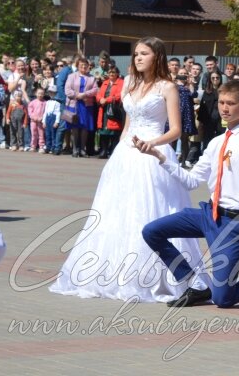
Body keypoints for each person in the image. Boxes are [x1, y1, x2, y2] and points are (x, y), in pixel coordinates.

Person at [50, 37, 208, 303]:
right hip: (126, 153)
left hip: (153, 155)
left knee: (151, 209)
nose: (137, 58)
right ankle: (114, 272)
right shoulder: (131, 84)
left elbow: (176, 130)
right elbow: (128, 125)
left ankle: (163, 275)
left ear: (156, 56)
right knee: (117, 211)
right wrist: (119, 151)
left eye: (143, 53)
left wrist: (151, 144)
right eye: (136, 54)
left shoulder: (167, 87)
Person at [135, 79, 239, 308]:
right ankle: (196, 284)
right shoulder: (216, 143)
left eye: (231, 103)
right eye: (222, 102)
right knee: (152, 231)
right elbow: (192, 181)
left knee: (223, 299)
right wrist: (161, 157)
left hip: (233, 222)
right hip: (208, 214)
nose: (225, 108)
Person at [65, 57, 99, 157]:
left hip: (86, 105)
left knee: (85, 127)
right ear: (77, 66)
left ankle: (82, 149)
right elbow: (67, 90)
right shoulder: (71, 76)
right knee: (74, 127)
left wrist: (84, 94)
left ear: (88, 66)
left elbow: (95, 90)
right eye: (81, 65)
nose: (83, 67)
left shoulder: (92, 78)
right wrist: (77, 95)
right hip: (72, 104)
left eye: (85, 65)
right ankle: (75, 149)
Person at [95, 66, 125, 159]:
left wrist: (107, 100)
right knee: (104, 131)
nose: (111, 74)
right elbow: (99, 94)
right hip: (103, 109)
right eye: (110, 72)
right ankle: (103, 151)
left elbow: (119, 95)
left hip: (114, 109)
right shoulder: (105, 83)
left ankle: (113, 151)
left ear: (117, 74)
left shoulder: (121, 82)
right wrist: (100, 99)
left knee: (114, 132)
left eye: (113, 72)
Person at [197, 72, 225, 147]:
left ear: (220, 79)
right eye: (213, 78)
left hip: (220, 120)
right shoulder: (207, 91)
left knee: (220, 141)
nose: (215, 79)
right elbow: (203, 107)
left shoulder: (224, 91)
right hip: (208, 120)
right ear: (210, 79)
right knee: (207, 141)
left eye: (217, 77)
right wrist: (201, 122)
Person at [27, 87, 48, 153]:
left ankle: (41, 146)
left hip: (41, 121)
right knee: (34, 134)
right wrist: (34, 117)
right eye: (39, 93)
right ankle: (33, 146)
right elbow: (30, 112)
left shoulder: (45, 103)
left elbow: (46, 112)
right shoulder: (32, 102)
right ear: (36, 94)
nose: (40, 95)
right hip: (33, 121)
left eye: (42, 94)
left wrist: (42, 118)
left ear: (44, 94)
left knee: (41, 134)